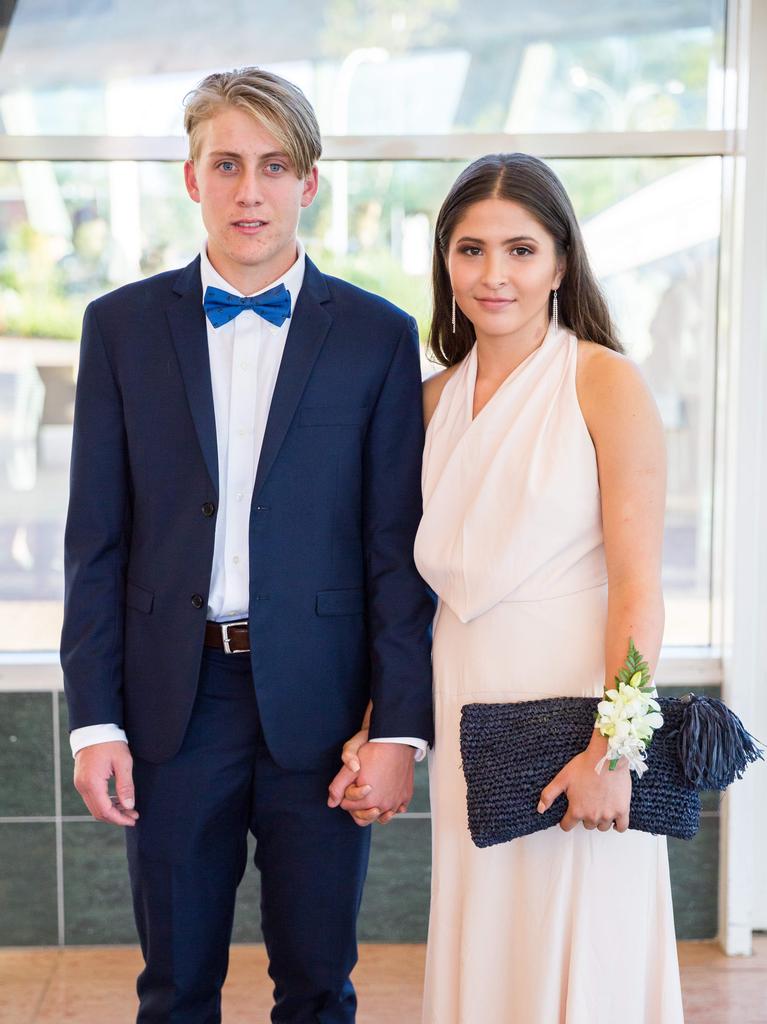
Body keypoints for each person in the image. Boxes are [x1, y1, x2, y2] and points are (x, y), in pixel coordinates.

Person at [60, 67, 434, 1024]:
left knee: (317, 984)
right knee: (175, 985)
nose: (249, 190)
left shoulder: (380, 338)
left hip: (325, 709)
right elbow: (94, 544)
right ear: (191, 178)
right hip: (170, 705)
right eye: (225, 164)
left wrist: (396, 726)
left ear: (310, 182)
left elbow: (395, 551)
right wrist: (95, 721)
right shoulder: (119, 329)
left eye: (274, 166)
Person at [335, 153, 685, 1022]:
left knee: (582, 942)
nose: (495, 275)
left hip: (579, 708)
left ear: (562, 261)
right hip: (466, 704)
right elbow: (404, 596)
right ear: (445, 262)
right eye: (471, 249)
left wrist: (614, 748)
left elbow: (641, 585)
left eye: (521, 250)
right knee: (490, 944)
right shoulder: (428, 402)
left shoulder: (605, 381)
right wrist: (384, 726)